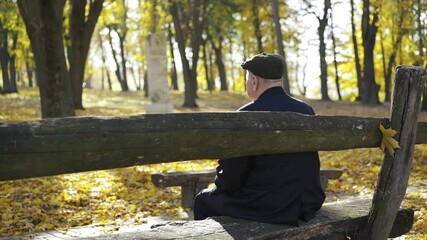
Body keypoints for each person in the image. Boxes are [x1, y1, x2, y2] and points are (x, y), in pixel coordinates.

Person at [193, 52, 325, 226]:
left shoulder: (246, 116)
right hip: (305, 202)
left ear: (254, 81)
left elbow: (230, 180)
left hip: (267, 207)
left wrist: (219, 185)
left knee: (202, 200)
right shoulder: (305, 110)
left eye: (247, 79)